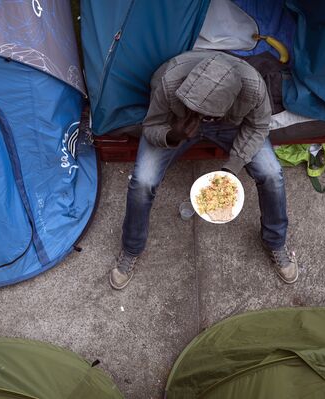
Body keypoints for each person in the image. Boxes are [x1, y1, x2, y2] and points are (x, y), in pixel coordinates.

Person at [109, 50, 298, 290]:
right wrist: (173, 135)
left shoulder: (253, 88)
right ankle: (131, 247)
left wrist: (233, 167)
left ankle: (275, 242)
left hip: (228, 126)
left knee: (272, 173)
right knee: (143, 181)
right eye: (191, 108)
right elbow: (151, 126)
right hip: (175, 125)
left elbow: (257, 127)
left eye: (202, 115)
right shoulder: (168, 81)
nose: (196, 118)